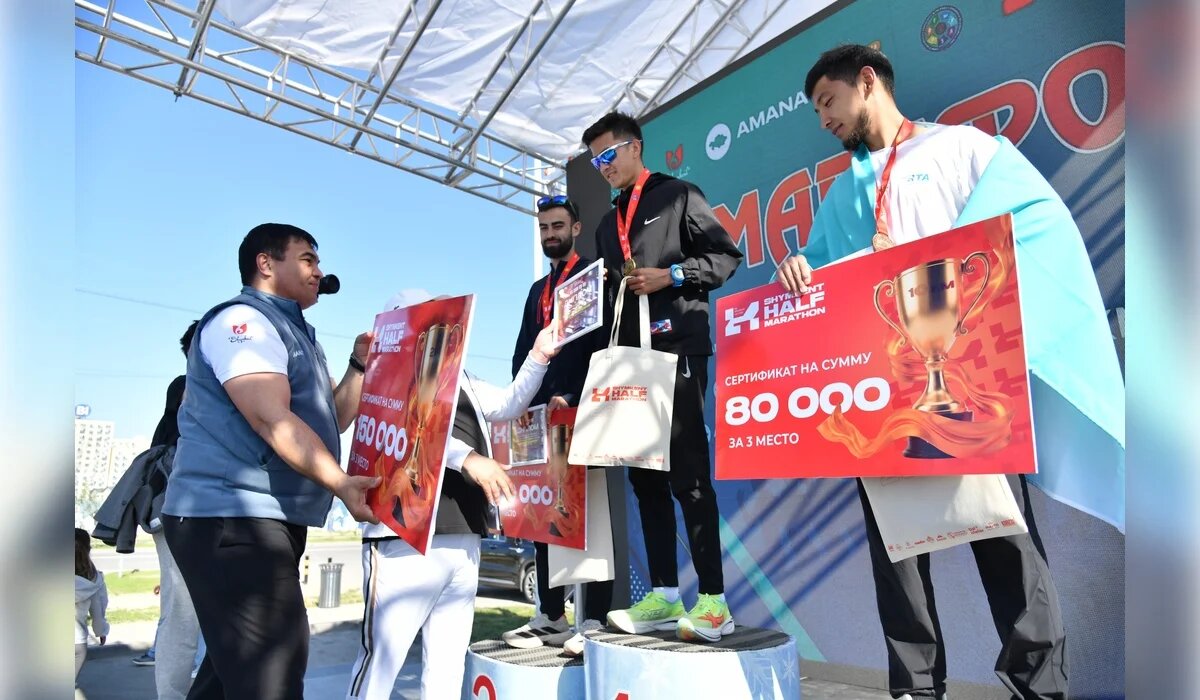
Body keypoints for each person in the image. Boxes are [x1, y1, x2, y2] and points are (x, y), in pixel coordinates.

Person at [775, 44, 1073, 700]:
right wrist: (799, 266)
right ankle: (914, 688)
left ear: (867, 82)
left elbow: (1022, 231)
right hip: (883, 395)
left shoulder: (960, 150)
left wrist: (925, 259)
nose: (823, 118)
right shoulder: (841, 191)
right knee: (899, 554)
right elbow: (821, 275)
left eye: (828, 101)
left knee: (1005, 538)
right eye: (816, 110)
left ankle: (1040, 685)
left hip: (971, 380)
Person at [161, 222, 379, 700]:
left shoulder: (296, 335)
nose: (318, 272)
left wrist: (359, 366)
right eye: (308, 259)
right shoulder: (244, 323)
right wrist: (341, 482)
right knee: (271, 671)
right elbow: (272, 419)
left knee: (231, 676)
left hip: (261, 519)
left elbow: (332, 419)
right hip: (229, 518)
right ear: (265, 263)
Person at [347, 290, 563, 699]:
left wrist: (538, 355)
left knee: (446, 671)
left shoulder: (460, 376)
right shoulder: (384, 377)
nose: (438, 332)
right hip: (402, 540)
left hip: (462, 535)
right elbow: (412, 428)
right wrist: (468, 458)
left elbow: (508, 404)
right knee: (380, 665)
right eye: (426, 321)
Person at [582, 111, 743, 642]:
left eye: (608, 155)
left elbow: (724, 257)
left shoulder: (678, 195)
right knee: (644, 479)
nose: (603, 167)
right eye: (595, 161)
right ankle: (665, 595)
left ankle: (714, 602)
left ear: (635, 147)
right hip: (631, 362)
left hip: (676, 351)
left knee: (688, 476)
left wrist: (672, 275)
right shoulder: (607, 225)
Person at [500, 195, 614, 656]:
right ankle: (551, 616)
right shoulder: (537, 291)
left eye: (558, 226)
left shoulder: (592, 278)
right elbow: (524, 350)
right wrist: (521, 400)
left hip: (583, 414)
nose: (550, 234)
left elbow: (600, 345)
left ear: (576, 228)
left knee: (591, 517)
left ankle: (593, 620)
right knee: (545, 514)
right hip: (542, 421)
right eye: (544, 228)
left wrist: (574, 391)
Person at [149, 321, 203, 699]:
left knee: (189, 611)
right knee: (182, 612)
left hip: (186, 509)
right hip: (181, 509)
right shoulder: (189, 387)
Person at [74, 527, 109, 683]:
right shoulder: (94, 579)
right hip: (76, 642)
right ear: (88, 548)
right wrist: (101, 631)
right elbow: (98, 611)